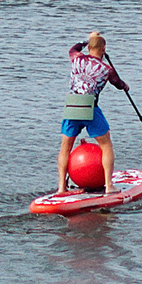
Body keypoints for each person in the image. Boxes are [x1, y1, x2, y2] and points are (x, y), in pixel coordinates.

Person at [57, 30, 129, 195]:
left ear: (88, 48)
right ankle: (109, 185)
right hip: (90, 108)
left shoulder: (75, 57)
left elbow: (73, 48)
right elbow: (118, 84)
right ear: (104, 49)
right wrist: (125, 86)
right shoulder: (106, 69)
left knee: (65, 148)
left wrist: (88, 39)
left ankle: (61, 187)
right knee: (106, 145)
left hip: (72, 106)